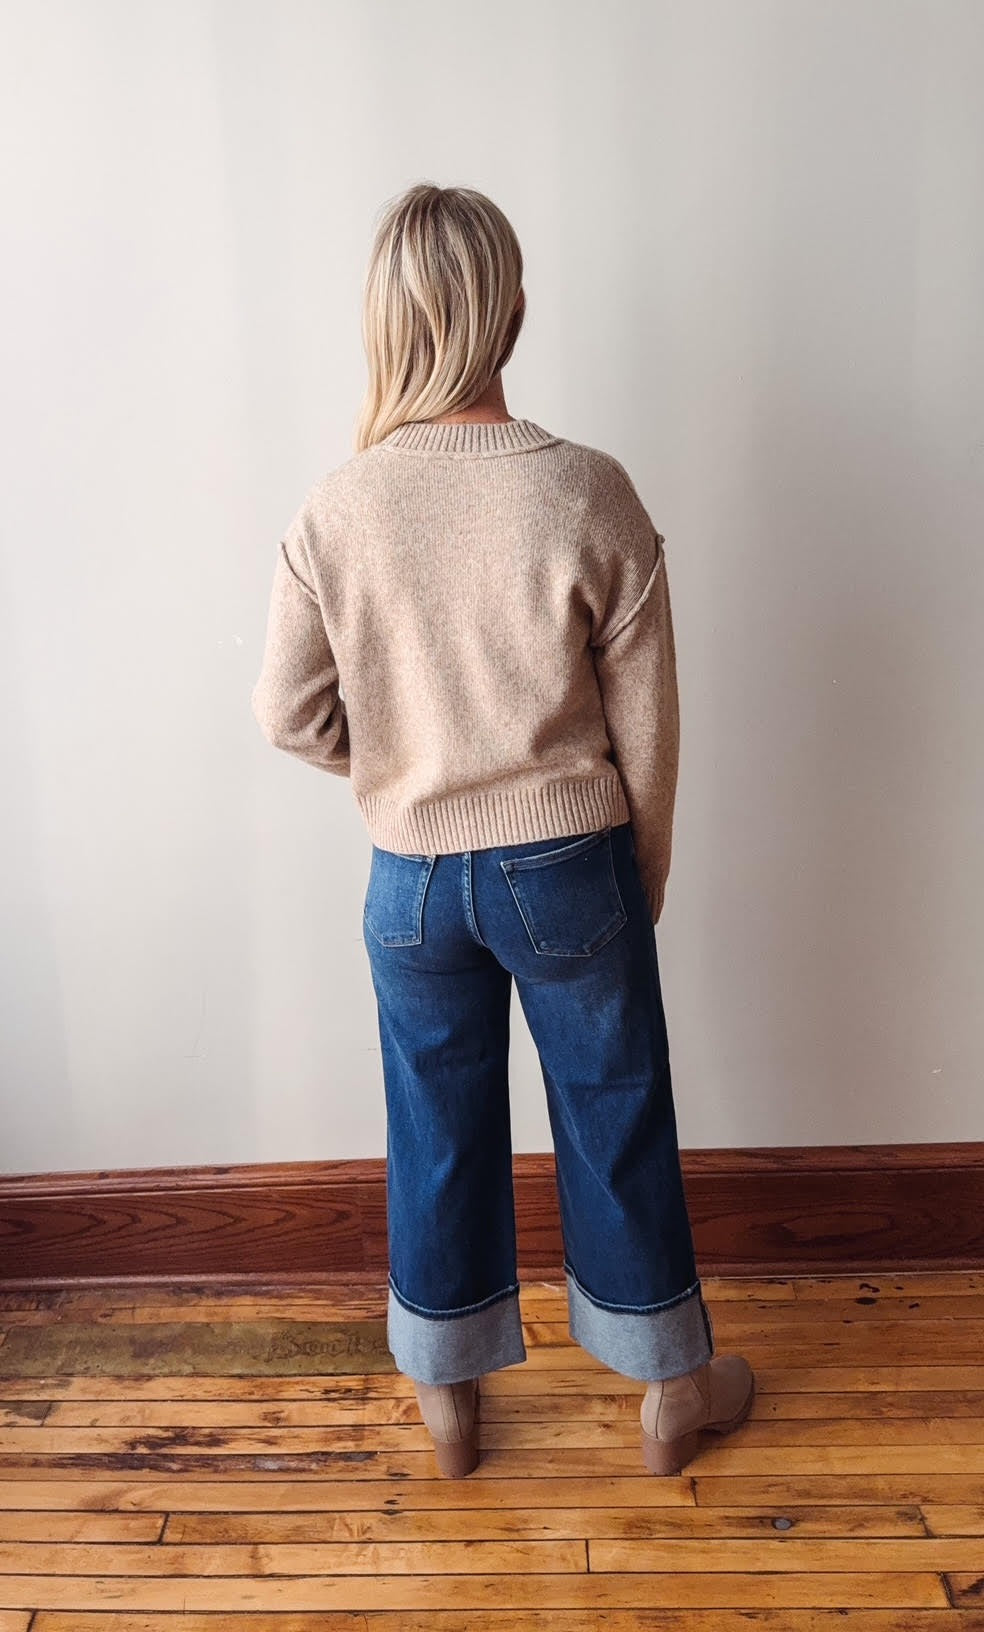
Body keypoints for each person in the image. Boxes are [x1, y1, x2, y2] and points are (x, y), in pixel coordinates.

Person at [251, 182, 754, 1478]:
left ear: (387, 324)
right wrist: (629, 886)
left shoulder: (336, 508)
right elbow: (650, 733)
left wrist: (405, 770)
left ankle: (451, 1395)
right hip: (568, 864)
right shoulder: (586, 491)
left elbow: (287, 714)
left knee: (435, 1125)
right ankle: (668, 1393)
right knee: (616, 1110)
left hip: (410, 883)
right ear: (512, 312)